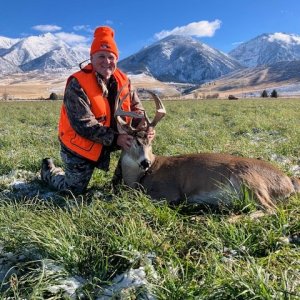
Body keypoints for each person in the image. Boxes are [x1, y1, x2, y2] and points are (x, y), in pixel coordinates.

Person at [41, 26, 154, 194]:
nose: (106, 61)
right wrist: (116, 139)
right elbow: (83, 125)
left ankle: (120, 180)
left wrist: (146, 128)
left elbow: (137, 110)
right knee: (73, 191)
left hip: (114, 137)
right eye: (101, 56)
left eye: (111, 57)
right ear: (91, 58)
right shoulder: (77, 83)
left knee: (139, 142)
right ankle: (49, 172)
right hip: (80, 144)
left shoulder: (124, 81)